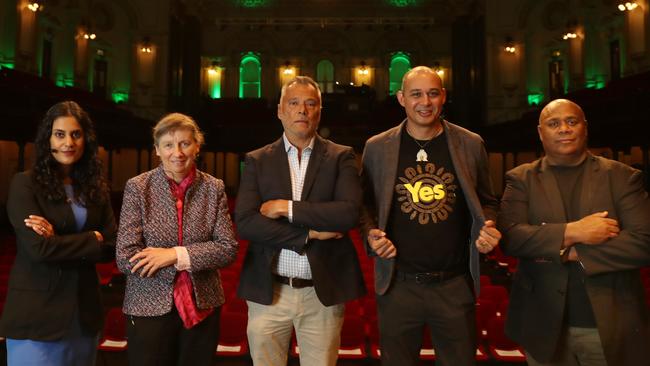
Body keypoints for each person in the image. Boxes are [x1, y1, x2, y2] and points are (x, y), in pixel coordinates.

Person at [360, 66, 501, 366]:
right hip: (398, 285)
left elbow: (489, 201)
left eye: (433, 93)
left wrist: (488, 225)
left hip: (454, 284)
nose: (425, 101)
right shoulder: (376, 147)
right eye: (416, 94)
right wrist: (371, 234)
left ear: (443, 97)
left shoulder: (471, 143)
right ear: (401, 99)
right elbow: (364, 206)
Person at [498, 99, 650, 365]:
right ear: (540, 132)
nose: (564, 129)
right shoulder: (520, 179)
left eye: (571, 121)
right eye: (554, 123)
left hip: (608, 324)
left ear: (585, 127)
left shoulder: (622, 177)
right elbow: (512, 238)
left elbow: (644, 242)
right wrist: (574, 230)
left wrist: (570, 251)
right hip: (542, 324)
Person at [235, 76, 365, 366]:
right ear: (280, 110)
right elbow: (246, 222)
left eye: (310, 103)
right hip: (269, 292)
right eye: (293, 103)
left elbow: (347, 214)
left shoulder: (340, 156)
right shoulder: (258, 160)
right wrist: (309, 236)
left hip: (320, 294)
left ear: (320, 111)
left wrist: (286, 208)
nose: (302, 110)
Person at [116, 113, 238, 366]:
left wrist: (173, 255)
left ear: (197, 146)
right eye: (168, 145)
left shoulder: (213, 188)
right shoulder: (138, 187)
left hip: (202, 305)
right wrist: (193, 255)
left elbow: (227, 249)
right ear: (157, 150)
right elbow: (126, 258)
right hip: (148, 307)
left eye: (185, 143)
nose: (177, 152)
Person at [1, 101, 116, 366]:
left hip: (83, 316)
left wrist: (61, 241)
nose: (69, 142)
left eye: (76, 134)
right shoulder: (24, 184)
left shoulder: (95, 188)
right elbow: (39, 249)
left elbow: (111, 245)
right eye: (60, 134)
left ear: (86, 139)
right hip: (38, 317)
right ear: (48, 139)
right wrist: (91, 239)